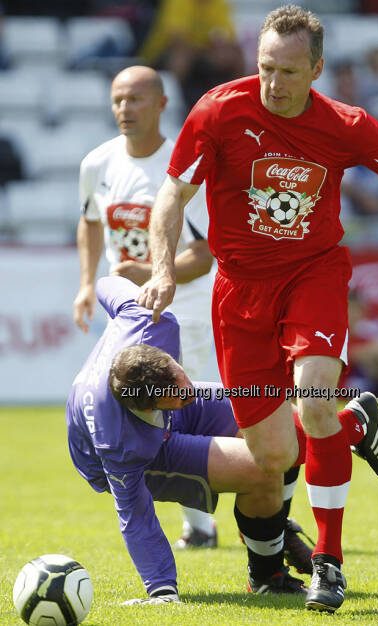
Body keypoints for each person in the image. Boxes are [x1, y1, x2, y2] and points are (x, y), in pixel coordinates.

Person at [138, 4, 378, 613]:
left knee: (315, 397)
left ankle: (329, 563)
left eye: (289, 72)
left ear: (316, 69)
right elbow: (173, 193)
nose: (273, 83)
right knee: (272, 456)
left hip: (313, 276)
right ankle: (359, 425)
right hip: (239, 292)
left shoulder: (343, 124)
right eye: (266, 67)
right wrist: (163, 267)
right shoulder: (218, 110)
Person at [66, 274, 378, 602]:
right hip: (148, 450)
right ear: (151, 407)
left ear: (162, 355)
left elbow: (107, 282)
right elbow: (135, 517)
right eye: (176, 395)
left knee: (272, 424)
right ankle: (268, 574)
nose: (189, 391)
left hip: (150, 408)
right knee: (262, 468)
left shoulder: (150, 322)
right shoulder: (122, 445)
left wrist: (117, 281)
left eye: (180, 375)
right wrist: (162, 591)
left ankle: (286, 513)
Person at [72, 65, 217, 549]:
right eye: (117, 99)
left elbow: (206, 252)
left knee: (189, 412)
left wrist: (159, 274)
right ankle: (197, 522)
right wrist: (89, 283)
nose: (124, 109)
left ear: (161, 104)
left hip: (187, 315)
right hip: (127, 318)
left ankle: (205, 524)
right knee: (139, 414)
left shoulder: (184, 167)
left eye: (135, 99)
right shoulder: (97, 163)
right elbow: (91, 222)